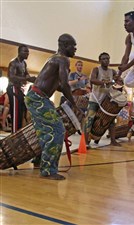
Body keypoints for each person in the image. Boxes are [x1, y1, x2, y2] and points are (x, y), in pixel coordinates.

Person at [25, 33, 78, 180]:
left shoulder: (54, 58)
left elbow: (59, 85)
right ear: (65, 45)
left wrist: (69, 94)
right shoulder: (62, 59)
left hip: (35, 97)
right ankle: (48, 170)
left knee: (45, 130)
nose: (75, 49)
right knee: (57, 130)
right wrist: (74, 104)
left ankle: (39, 160)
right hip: (37, 98)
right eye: (73, 46)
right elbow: (65, 84)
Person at [84, 52, 121, 147]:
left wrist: (120, 81)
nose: (106, 60)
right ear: (99, 61)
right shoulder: (96, 69)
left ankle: (113, 140)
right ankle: (85, 142)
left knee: (111, 120)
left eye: (108, 59)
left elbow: (118, 81)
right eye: (104, 59)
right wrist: (105, 84)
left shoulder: (112, 71)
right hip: (95, 99)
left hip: (106, 100)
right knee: (89, 119)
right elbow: (92, 80)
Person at [7, 44, 36, 133]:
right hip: (13, 88)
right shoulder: (13, 62)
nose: (27, 53)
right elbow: (11, 77)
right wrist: (27, 79)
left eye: (28, 52)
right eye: (25, 51)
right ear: (19, 52)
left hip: (19, 89)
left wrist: (33, 79)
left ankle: (18, 133)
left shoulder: (24, 63)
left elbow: (27, 75)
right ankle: (14, 134)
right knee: (15, 113)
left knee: (21, 112)